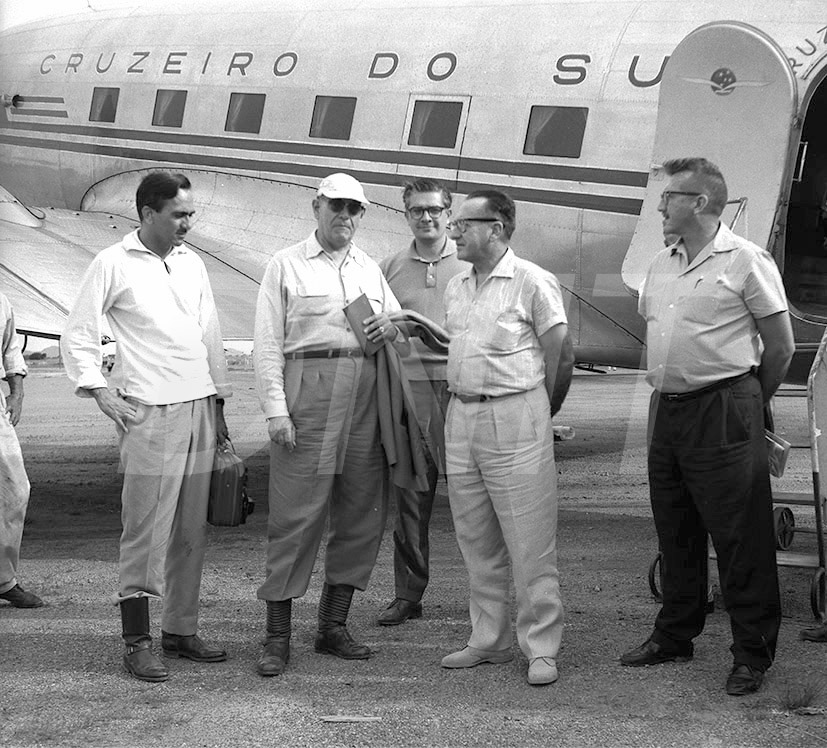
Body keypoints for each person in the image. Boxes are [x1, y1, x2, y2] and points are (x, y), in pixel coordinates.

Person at [620, 157, 794, 697]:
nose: (660, 205)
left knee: (740, 535)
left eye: (669, 196)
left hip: (723, 405)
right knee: (675, 527)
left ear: (700, 202)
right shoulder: (660, 262)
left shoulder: (745, 260)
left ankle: (752, 653)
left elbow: (781, 345)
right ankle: (675, 633)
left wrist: (747, 403)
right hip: (669, 408)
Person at [61, 172, 232, 683]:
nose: (188, 223)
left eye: (190, 214)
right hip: (151, 411)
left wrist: (220, 404)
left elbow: (209, 332)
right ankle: (136, 640)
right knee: (145, 529)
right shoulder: (112, 262)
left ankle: (180, 630)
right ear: (148, 213)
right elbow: (79, 331)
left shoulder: (191, 261)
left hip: (199, 404)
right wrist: (99, 389)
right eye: (179, 214)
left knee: (190, 529)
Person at [253, 172, 406, 677]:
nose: (345, 215)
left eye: (354, 208)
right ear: (316, 206)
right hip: (309, 391)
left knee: (362, 511)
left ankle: (332, 627)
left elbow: (398, 325)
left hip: (365, 394)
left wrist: (391, 326)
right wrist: (276, 410)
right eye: (336, 205)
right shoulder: (285, 263)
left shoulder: (369, 267)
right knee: (295, 516)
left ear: (363, 215)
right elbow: (267, 343)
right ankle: (277, 636)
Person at [436, 189, 574, 686]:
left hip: (516, 413)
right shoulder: (456, 286)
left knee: (529, 540)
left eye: (462, 224)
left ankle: (542, 647)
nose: (452, 232)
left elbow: (561, 353)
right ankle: (488, 639)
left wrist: (540, 411)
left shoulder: (532, 281)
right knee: (476, 538)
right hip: (462, 414)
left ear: (495, 228)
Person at [375, 178, 467, 626]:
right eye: (417, 210)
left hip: (463, 390)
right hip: (410, 391)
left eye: (434, 210)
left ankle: (488, 598)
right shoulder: (388, 268)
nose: (426, 218)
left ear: (449, 214)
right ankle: (408, 595)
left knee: (475, 497)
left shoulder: (470, 263)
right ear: (406, 214)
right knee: (412, 499)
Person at [0, 294, 44, 609]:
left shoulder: (1, 300)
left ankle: (3, 580)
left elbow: (10, 348)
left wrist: (17, 392)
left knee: (16, 488)